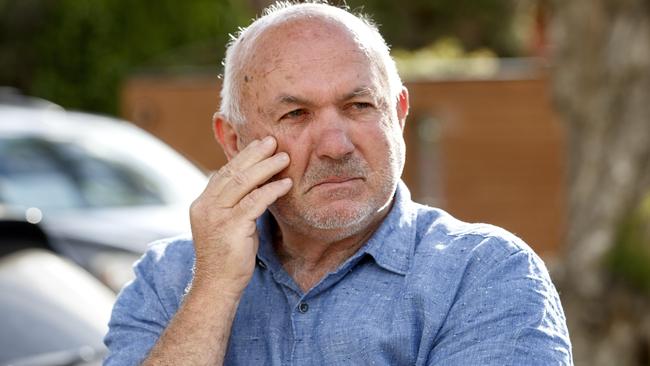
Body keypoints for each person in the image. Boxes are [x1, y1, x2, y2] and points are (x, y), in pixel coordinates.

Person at [104, 2, 573, 365]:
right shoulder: (169, 279)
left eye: (359, 106)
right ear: (233, 141)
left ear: (399, 114)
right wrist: (213, 289)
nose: (335, 145)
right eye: (296, 114)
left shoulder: (484, 274)